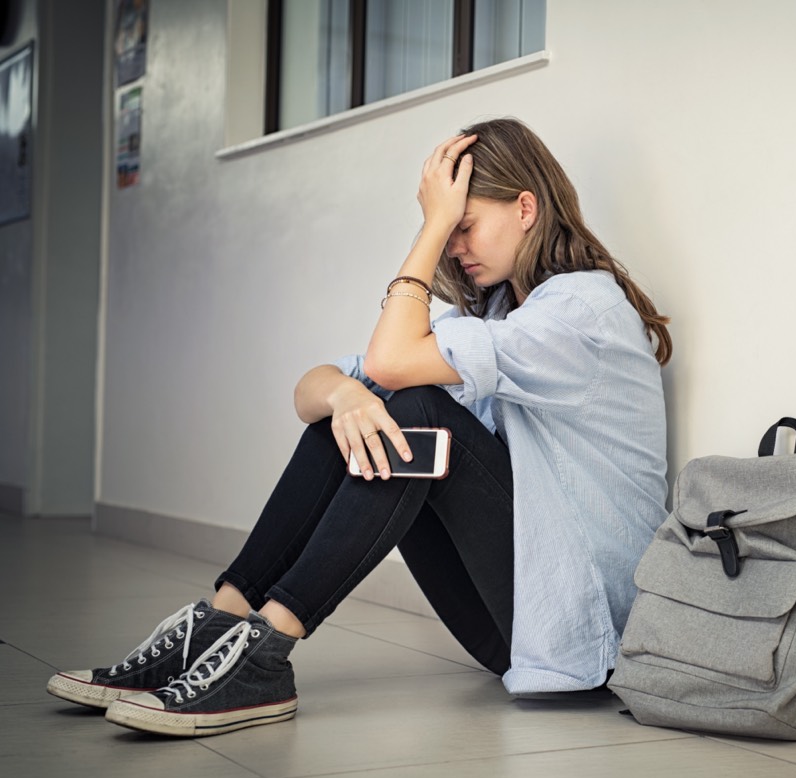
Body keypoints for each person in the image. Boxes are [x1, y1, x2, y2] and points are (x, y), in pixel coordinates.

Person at [46, 118, 672, 737]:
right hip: (517, 625)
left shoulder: (582, 311)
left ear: (526, 208)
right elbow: (311, 390)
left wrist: (429, 227)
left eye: (464, 226)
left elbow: (390, 363)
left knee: (416, 410)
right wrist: (346, 395)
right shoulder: (501, 313)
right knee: (350, 415)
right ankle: (219, 625)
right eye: (446, 231)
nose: (454, 246)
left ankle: (264, 655)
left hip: (585, 630)